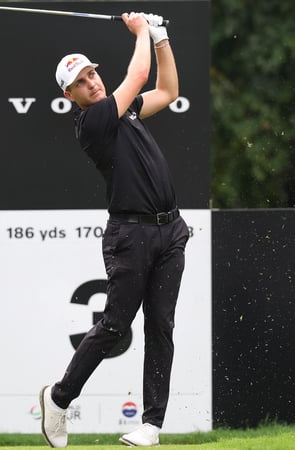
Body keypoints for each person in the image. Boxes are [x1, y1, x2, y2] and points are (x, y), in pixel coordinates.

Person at [40, 12, 189, 448]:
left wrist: (161, 38)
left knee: (161, 325)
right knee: (114, 325)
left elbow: (168, 89)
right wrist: (141, 31)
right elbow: (139, 73)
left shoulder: (128, 113)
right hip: (131, 235)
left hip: (170, 231)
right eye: (82, 82)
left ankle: (151, 425)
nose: (92, 82)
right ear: (70, 95)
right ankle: (60, 398)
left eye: (92, 74)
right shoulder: (95, 122)